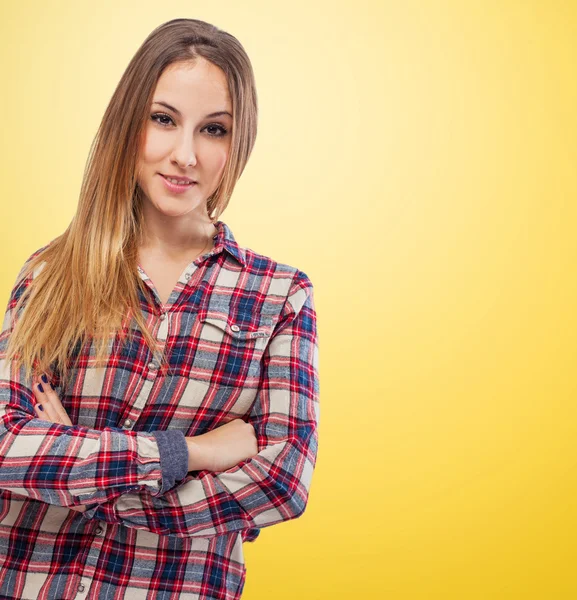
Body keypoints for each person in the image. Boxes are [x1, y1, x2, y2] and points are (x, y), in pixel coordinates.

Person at [0, 18, 319, 600]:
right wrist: (189, 453)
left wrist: (93, 482)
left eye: (214, 129)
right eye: (163, 119)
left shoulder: (279, 295)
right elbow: (6, 447)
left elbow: (283, 481)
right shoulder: (52, 273)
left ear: (238, 142)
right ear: (129, 123)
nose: (185, 155)